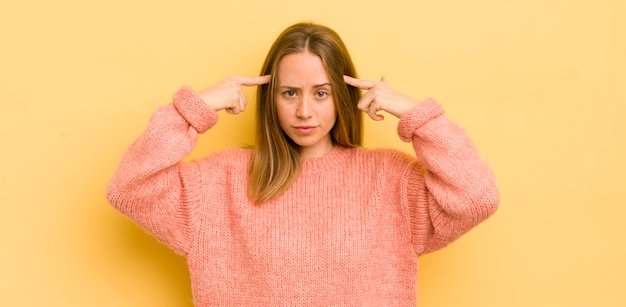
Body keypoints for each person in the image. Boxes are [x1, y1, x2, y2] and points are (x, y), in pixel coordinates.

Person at [106, 22, 499, 306]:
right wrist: (193, 107)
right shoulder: (218, 183)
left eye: (321, 93)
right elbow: (130, 190)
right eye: (289, 92)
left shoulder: (390, 180)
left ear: (343, 96)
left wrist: (416, 115)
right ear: (270, 97)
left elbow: (475, 198)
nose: (304, 111)